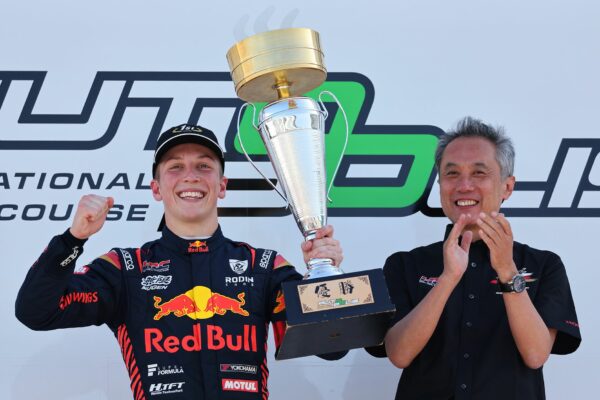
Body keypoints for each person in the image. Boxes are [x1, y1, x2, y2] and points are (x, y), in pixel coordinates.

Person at [15, 123, 344, 399]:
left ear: (222, 185)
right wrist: (73, 240)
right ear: (156, 189)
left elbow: (333, 346)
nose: (190, 176)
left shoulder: (263, 266)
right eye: (175, 167)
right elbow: (36, 311)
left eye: (204, 166)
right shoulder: (126, 268)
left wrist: (323, 277)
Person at [378, 117, 581, 399]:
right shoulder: (404, 265)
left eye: (479, 173)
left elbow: (536, 354)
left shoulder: (544, 265)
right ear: (440, 186)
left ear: (507, 187)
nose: (463, 185)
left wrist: (508, 273)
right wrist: (448, 278)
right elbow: (399, 354)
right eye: (451, 174)